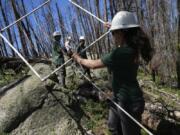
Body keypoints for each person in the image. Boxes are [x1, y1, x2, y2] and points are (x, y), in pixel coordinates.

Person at [72, 11, 153, 135]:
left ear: (122, 32)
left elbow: (93, 65)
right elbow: (126, 34)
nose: (112, 35)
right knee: (113, 125)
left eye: (114, 32)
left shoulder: (120, 53)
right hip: (119, 98)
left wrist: (78, 58)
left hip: (129, 102)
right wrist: (113, 26)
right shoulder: (132, 46)